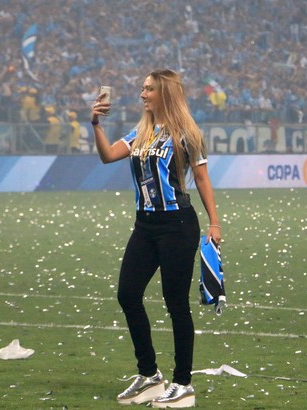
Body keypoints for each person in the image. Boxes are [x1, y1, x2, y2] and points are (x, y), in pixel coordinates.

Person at [90, 69, 221, 408]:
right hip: (145, 226)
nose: (142, 93)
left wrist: (215, 223)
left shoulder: (186, 133)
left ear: (165, 93)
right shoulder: (141, 131)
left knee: (175, 302)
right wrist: (95, 125)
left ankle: (183, 383)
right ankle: (149, 375)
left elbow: (203, 180)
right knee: (127, 294)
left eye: (148, 89)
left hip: (178, 224)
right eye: (143, 88)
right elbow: (107, 156)